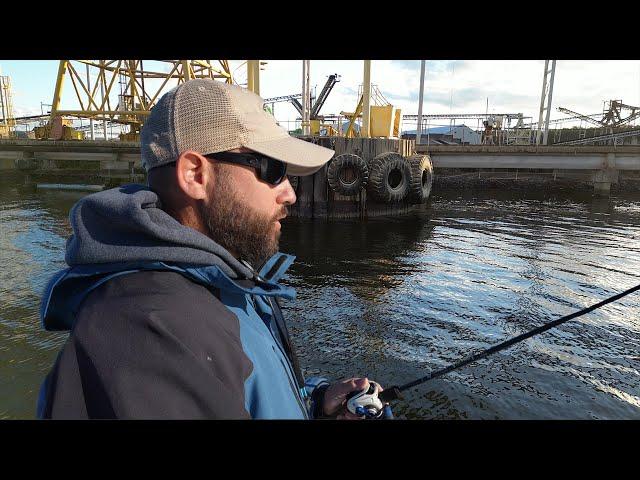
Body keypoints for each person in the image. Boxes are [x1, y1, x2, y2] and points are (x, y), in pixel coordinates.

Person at [37, 78, 382, 419]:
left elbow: (244, 394)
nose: (291, 193)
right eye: (273, 170)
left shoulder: (224, 281)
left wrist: (316, 404)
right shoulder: (149, 335)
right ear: (195, 175)